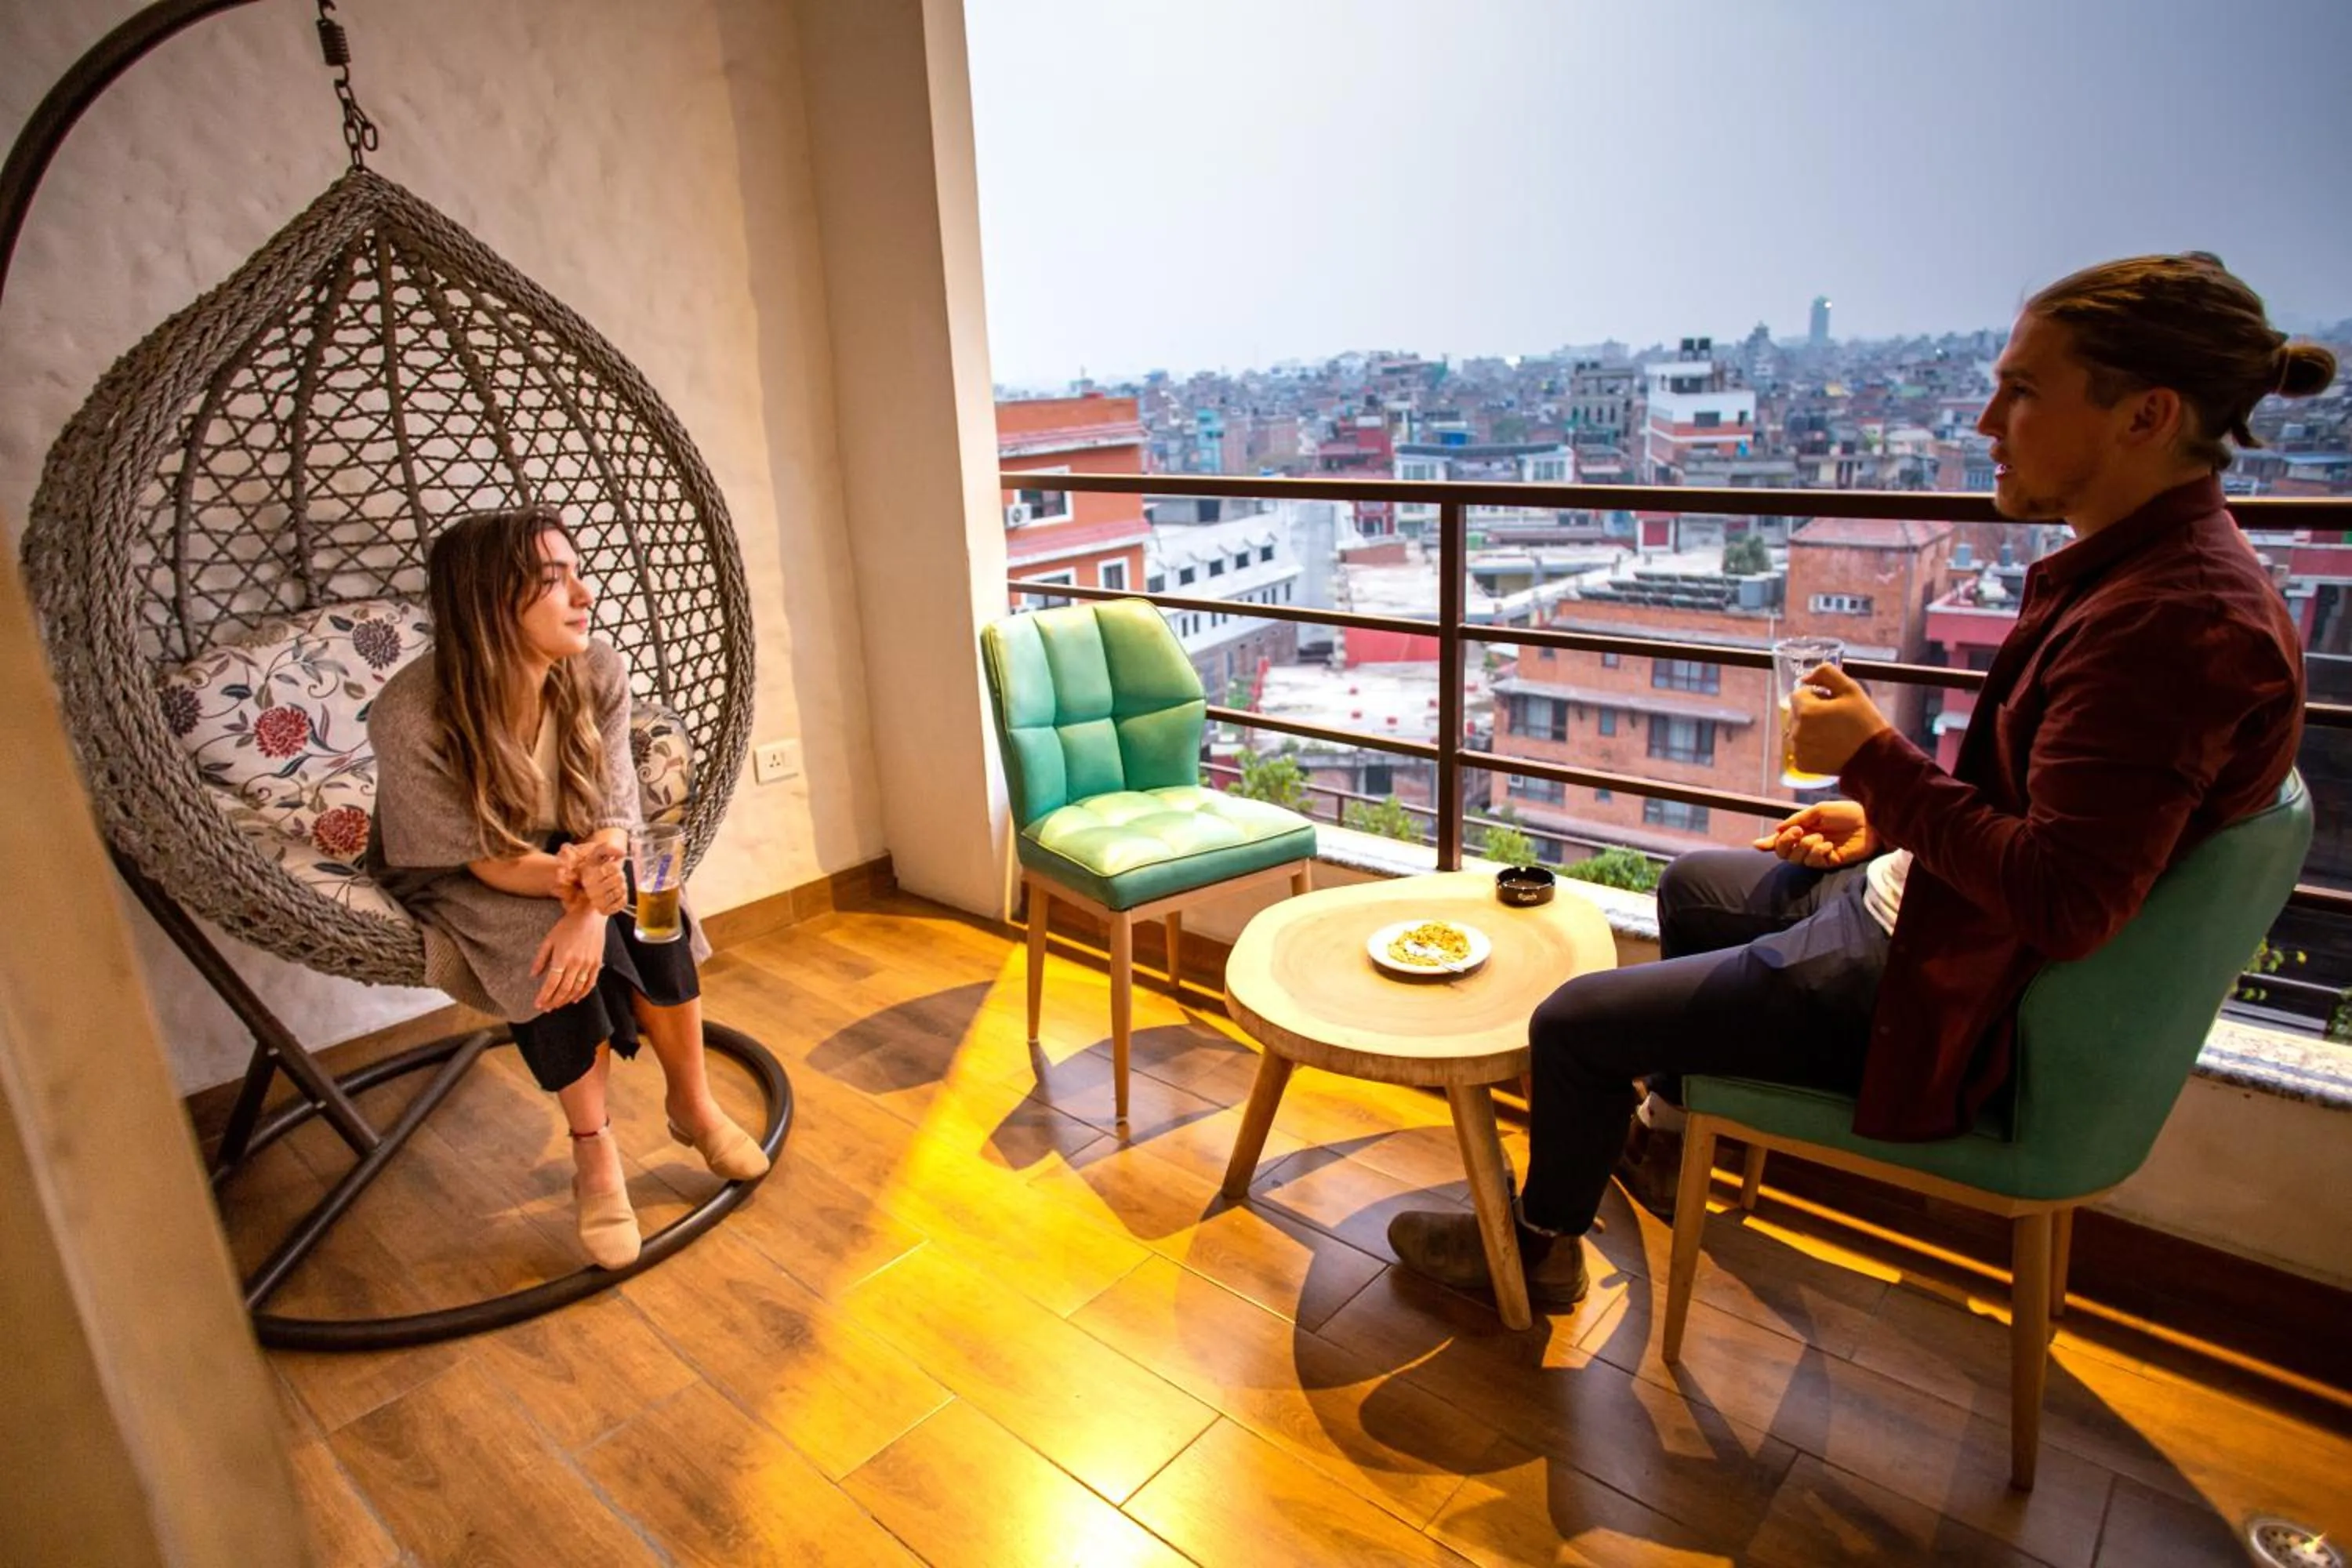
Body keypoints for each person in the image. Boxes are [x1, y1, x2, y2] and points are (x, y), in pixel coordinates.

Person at [1391, 253, 2332, 1308]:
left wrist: (1881, 760)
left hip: (1938, 977)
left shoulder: (2173, 624)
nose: (1986, 422)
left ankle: (1533, 1254)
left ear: (2144, 416)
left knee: (1571, 1026)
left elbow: (2067, 901)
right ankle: (1660, 1141)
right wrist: (1890, 817)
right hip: (1938, 913)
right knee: (1695, 889)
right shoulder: (2143, 576)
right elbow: (2060, 819)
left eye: (2022, 391)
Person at [368, 505, 768, 1270]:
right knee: (537, 950)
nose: (584, 595)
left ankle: (693, 1102)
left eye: (577, 573)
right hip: (466, 862)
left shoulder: (597, 669)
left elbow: (618, 807)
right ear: (490, 601)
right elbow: (479, 856)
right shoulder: (413, 713)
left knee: (658, 902)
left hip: (585, 846)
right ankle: (596, 1155)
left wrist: (595, 893)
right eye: (556, 581)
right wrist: (574, 900)